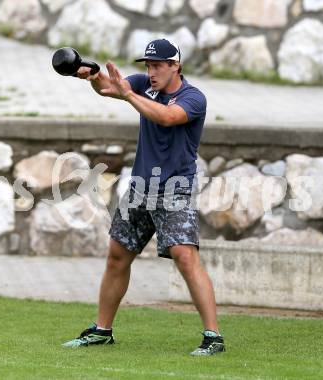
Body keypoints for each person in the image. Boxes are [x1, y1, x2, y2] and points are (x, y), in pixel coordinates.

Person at [62, 39, 225, 356]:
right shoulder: (142, 86)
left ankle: (213, 336)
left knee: (185, 257)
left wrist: (128, 94)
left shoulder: (193, 98)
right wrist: (93, 75)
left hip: (175, 188)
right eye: (147, 66)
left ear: (175, 65)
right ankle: (101, 331)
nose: (150, 72)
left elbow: (167, 117)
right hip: (139, 187)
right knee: (117, 256)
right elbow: (111, 89)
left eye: (157, 66)